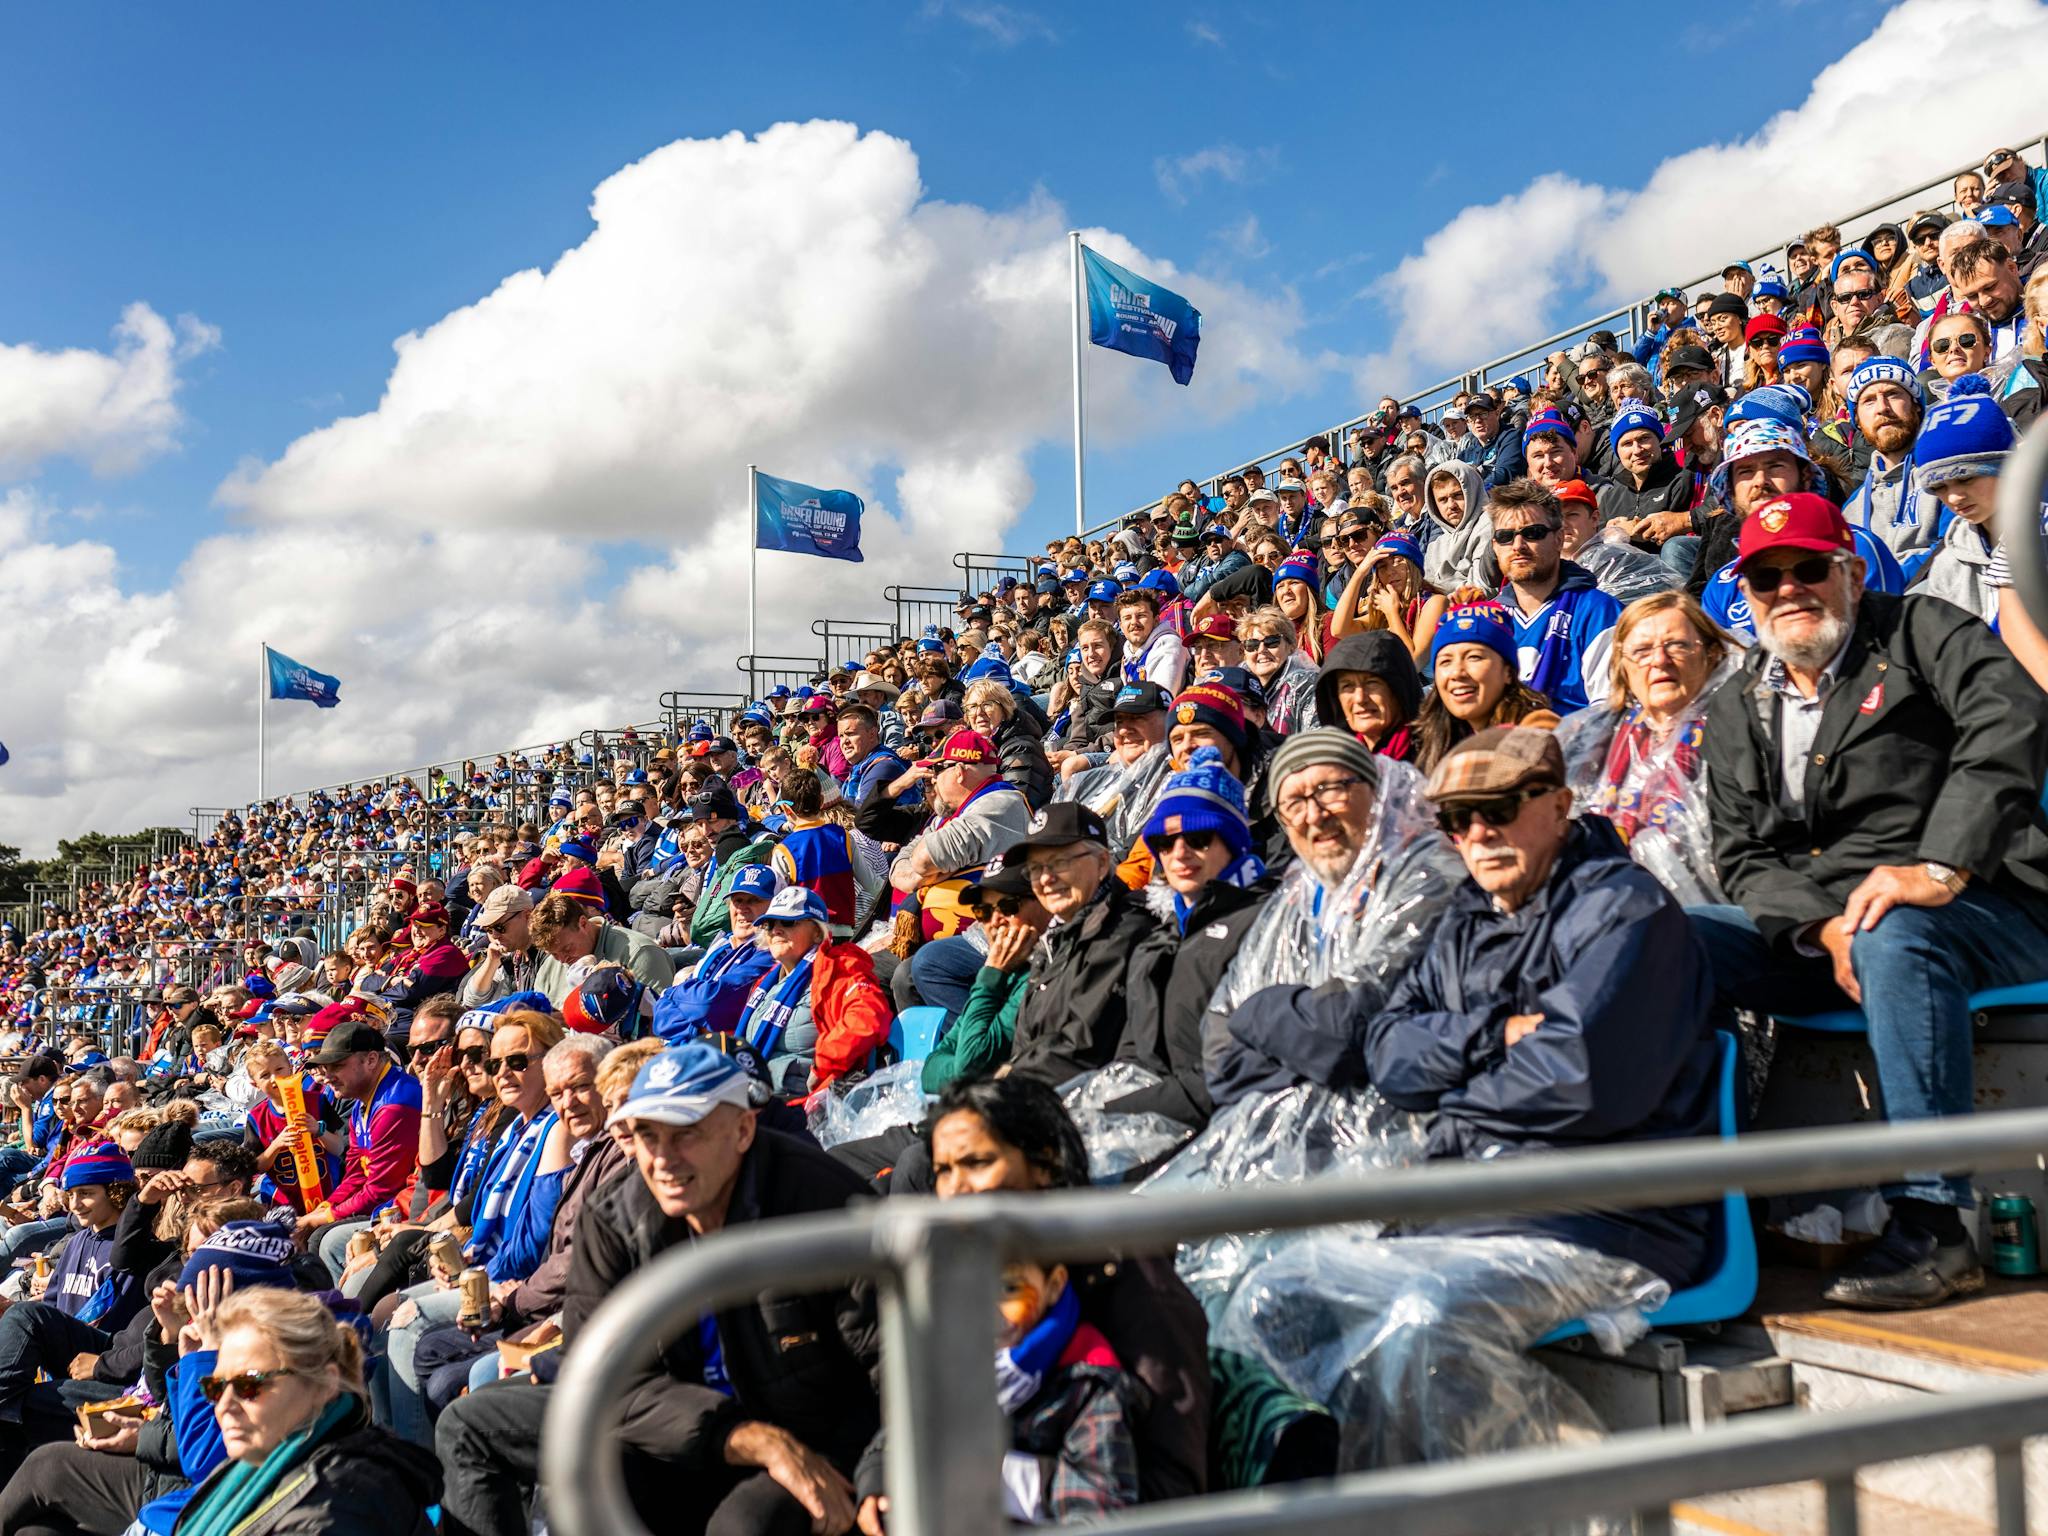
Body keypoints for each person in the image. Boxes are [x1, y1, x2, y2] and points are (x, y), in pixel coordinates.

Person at [1690, 492, 2048, 1309]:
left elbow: (2013, 719)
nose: (1789, 589)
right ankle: (1695, 1194)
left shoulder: (1920, 630)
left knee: (1897, 931)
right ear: (1745, 595)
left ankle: (1935, 1222)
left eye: (1809, 568)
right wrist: (1819, 928)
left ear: (1850, 569)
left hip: (1991, 904)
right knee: (1669, 935)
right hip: (1835, 934)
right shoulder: (1739, 700)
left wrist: (1941, 865)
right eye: (1765, 577)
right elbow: (1741, 853)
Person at [1228, 724, 1720, 1289]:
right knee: (1276, 1285)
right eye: (1458, 819)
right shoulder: (1467, 916)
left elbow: (1578, 1077)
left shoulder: (1626, 909)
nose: (1479, 833)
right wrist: (1495, 1036)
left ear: (1561, 807)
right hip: (1479, 1197)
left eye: (1501, 807)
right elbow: (1389, 1057)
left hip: (1608, 1213)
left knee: (1400, 1314)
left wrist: (1450, 1097)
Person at [433, 1041, 881, 1536]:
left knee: (744, 1525)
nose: (662, 1159)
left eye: (685, 1134)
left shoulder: (821, 1202)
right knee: (469, 1427)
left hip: (806, 1431)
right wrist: (743, 1437)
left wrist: (877, 1475)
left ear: (743, 1129)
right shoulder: (615, 1216)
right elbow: (597, 1375)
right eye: (646, 1135)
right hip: (679, 1423)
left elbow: (895, 1363)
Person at [905, 1077, 1210, 1508]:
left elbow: (1171, 1482)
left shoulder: (1128, 1272)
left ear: (1044, 1164)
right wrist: (882, 1483)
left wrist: (1025, 1486)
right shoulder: (955, 1273)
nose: (955, 1189)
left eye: (976, 1163)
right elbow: (905, 1422)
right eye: (943, 1171)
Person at [174, 1287, 440, 1532]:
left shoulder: (333, 1510)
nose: (224, 1406)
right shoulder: (260, 1465)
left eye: (248, 1383)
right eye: (215, 1387)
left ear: (325, 1384)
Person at [1560, 591, 1733, 907]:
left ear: (1710, 654)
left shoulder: (1738, 730)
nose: (1659, 660)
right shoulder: (1596, 737)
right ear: (1622, 665)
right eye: (1641, 650)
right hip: (1598, 907)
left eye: (1678, 645)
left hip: (1705, 916)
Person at [1001, 803, 1165, 1088]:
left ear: (1102, 863)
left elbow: (1083, 1048)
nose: (1046, 879)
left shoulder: (1124, 930)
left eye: (1060, 862)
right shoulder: (1058, 933)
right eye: (1036, 869)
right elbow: (1028, 1040)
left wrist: (1006, 1085)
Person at [733, 887, 893, 1096]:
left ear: (818, 932)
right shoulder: (767, 982)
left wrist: (824, 1063)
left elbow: (867, 1018)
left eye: (788, 922)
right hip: (757, 1095)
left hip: (802, 1104)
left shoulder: (839, 968)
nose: (776, 930)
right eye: (770, 924)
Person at [296, 1020, 424, 1282]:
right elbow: (355, 1174)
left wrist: (324, 1218)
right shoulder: (362, 1101)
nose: (327, 1075)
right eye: (325, 1067)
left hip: (409, 1209)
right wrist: (323, 1209)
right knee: (315, 1229)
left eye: (338, 1066)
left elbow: (382, 1188)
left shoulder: (395, 1104)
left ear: (371, 1059)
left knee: (325, 1237)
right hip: (386, 1202)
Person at [1488, 478, 1622, 714]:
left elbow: (1608, 712)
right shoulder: (1489, 618)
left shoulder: (1599, 611)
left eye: (1533, 533)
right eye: (1505, 536)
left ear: (1559, 539)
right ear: (1495, 546)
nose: (1518, 545)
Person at [1412, 604, 1558, 774]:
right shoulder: (1434, 737)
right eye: (1445, 661)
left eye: (1474, 657)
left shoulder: (1538, 729)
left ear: (1509, 672)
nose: (1457, 673)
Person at [527, 889, 675, 1007]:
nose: (562, 960)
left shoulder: (640, 954)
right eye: (553, 954)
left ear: (583, 924)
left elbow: (659, 1022)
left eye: (567, 949)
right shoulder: (550, 967)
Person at [1314, 632, 1421, 761]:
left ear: (1399, 689)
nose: (1360, 698)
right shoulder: (1337, 764)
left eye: (1372, 683)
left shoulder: (1433, 755)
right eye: (1347, 686)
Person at [962, 679, 1054, 811]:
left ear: (1005, 710)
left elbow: (1014, 805)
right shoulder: (973, 748)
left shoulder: (1021, 748)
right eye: (972, 707)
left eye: (987, 704)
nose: (979, 712)